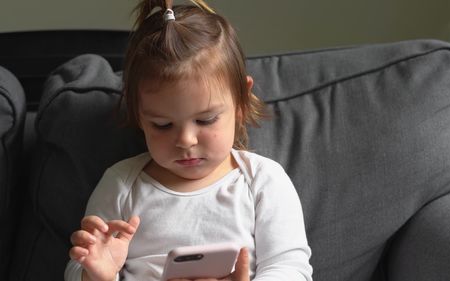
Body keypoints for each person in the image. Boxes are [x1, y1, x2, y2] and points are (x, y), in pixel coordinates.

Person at [64, 0, 313, 280]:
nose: (185, 140)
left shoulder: (263, 181)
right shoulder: (121, 184)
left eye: (205, 120)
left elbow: (291, 268)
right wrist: (97, 273)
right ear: (139, 115)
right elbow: (77, 269)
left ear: (241, 101)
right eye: (162, 125)